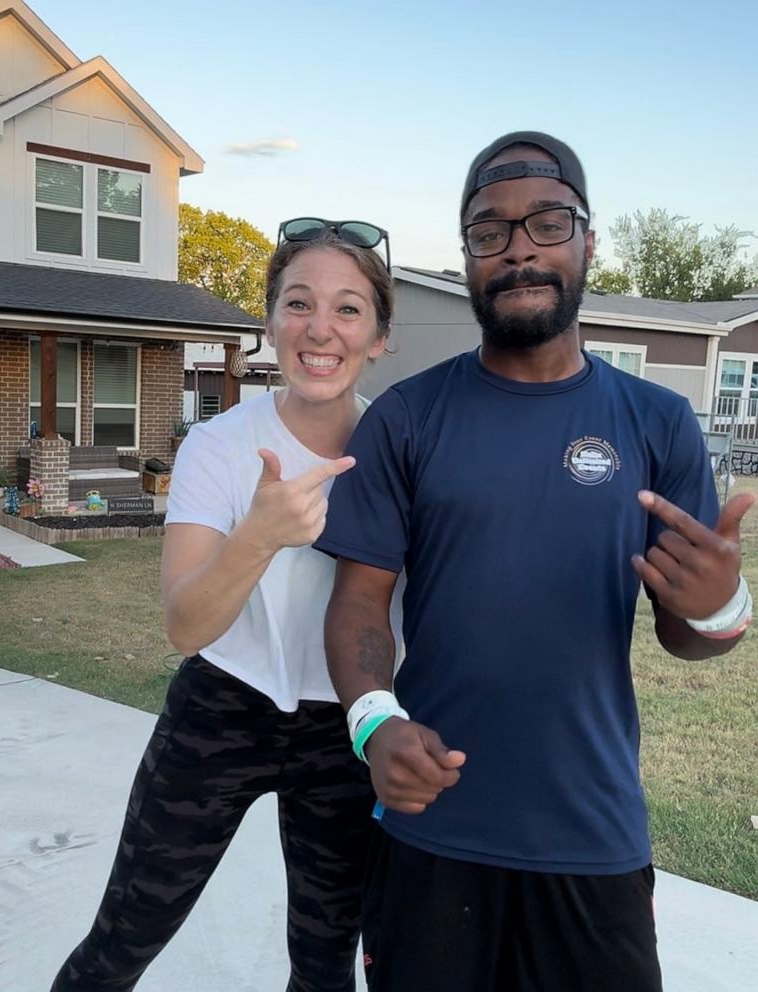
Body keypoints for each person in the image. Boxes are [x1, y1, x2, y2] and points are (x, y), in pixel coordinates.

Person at [315, 132, 754, 992]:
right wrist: (373, 725)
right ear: (468, 256)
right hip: (430, 828)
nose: (518, 248)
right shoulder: (407, 419)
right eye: (489, 232)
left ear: (587, 242)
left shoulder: (657, 422)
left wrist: (716, 606)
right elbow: (359, 602)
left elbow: (689, 638)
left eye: (546, 223)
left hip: (589, 833)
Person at [50, 218, 394, 992]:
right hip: (218, 713)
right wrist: (259, 536)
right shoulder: (219, 445)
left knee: (324, 966)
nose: (319, 328)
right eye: (298, 302)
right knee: (120, 943)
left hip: (344, 729)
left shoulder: (401, 451)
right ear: (270, 322)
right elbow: (185, 623)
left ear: (378, 336)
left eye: (347, 309)